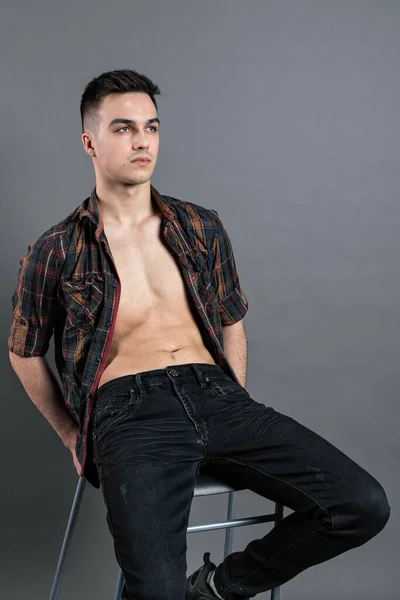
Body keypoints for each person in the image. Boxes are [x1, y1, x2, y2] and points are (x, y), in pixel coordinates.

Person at [8, 69, 390, 600]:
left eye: (151, 127)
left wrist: (232, 392)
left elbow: (232, 320)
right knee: (155, 590)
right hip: (130, 412)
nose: (142, 140)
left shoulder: (200, 226)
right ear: (90, 142)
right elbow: (24, 352)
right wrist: (74, 433)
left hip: (217, 396)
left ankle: (214, 588)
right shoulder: (56, 249)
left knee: (360, 503)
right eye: (123, 128)